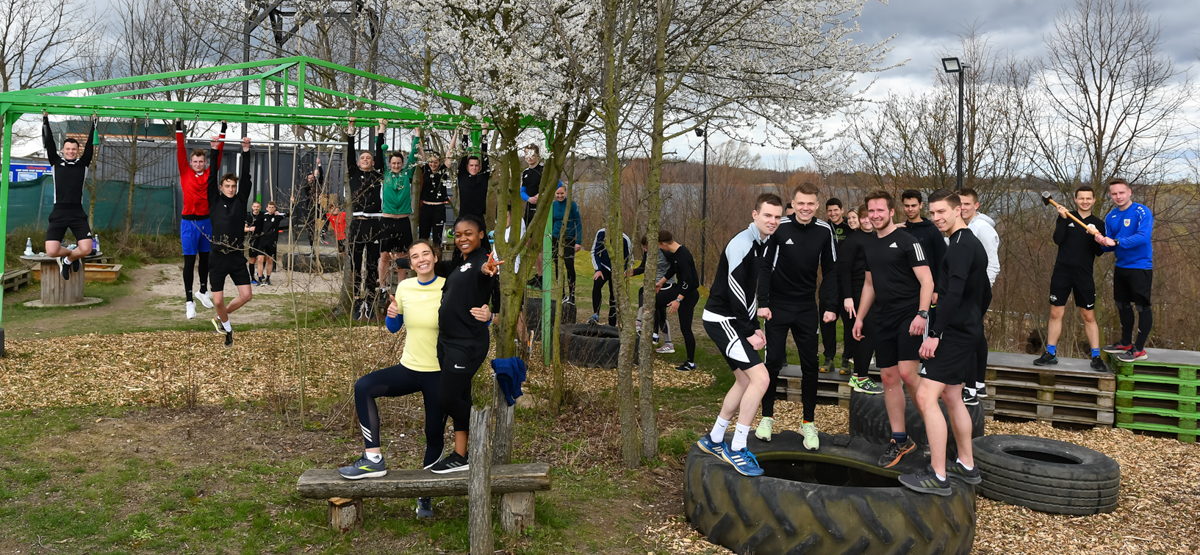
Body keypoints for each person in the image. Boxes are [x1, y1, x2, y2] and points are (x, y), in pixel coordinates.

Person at [338, 239, 492, 518]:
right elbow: (394, 327)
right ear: (409, 263)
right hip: (409, 369)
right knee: (363, 387)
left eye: (426, 254)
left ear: (435, 257)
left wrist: (488, 315)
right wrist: (392, 315)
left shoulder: (450, 283)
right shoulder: (405, 287)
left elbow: (476, 314)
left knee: (433, 435)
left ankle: (425, 497)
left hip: (440, 373)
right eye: (414, 256)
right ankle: (373, 458)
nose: (421, 259)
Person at [898, 189, 985, 495]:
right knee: (951, 397)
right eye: (932, 213)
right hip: (966, 329)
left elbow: (955, 294)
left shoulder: (961, 246)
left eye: (941, 212)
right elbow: (982, 294)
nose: (936, 218)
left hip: (954, 333)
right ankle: (966, 463)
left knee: (924, 396)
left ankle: (938, 475)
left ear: (958, 210)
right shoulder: (965, 242)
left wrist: (935, 334)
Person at [695, 193, 783, 477]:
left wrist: (754, 325)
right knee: (762, 378)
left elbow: (748, 293)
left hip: (734, 319)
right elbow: (734, 289)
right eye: (767, 215)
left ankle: (715, 439)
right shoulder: (743, 243)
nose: (772, 221)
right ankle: (737, 447)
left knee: (745, 380)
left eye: (777, 217)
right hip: (722, 320)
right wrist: (748, 331)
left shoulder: (762, 243)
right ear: (754, 214)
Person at [851, 190, 933, 468]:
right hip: (882, 318)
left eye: (880, 211)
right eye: (871, 211)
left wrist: (922, 314)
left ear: (891, 212)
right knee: (888, 378)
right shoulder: (870, 245)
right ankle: (901, 440)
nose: (875, 216)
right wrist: (860, 317)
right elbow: (870, 285)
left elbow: (928, 281)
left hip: (909, 317)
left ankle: (936, 434)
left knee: (909, 374)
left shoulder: (908, 242)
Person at [754, 183, 837, 448]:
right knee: (773, 361)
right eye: (801, 203)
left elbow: (832, 271)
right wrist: (763, 302)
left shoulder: (824, 231)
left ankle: (808, 424)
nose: (805, 208)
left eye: (810, 203)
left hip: (805, 309)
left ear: (817, 205)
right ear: (793, 203)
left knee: (810, 365)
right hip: (777, 307)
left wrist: (830, 305)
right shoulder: (780, 227)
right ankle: (767, 417)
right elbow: (765, 267)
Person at [428, 214, 502, 474]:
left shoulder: (482, 261)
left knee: (447, 398)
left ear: (481, 234)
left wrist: (489, 270)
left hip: (467, 343)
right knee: (460, 395)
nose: (462, 239)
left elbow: (487, 272)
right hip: (448, 341)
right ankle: (461, 456)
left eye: (468, 233)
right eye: (458, 235)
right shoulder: (462, 261)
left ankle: (482, 432)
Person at [1033, 186, 1108, 371]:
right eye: (1081, 198)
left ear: (1094, 200)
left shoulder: (1098, 223)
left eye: (1088, 198)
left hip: (1084, 275)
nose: (1085, 201)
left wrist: (1096, 236)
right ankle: (1050, 353)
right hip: (1062, 273)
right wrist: (1064, 220)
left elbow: (1099, 252)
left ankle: (1096, 357)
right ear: (1075, 199)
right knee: (1056, 313)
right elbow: (1058, 240)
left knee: (1088, 316)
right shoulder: (1066, 216)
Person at [1096, 178, 1154, 362]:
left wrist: (1118, 242)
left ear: (1129, 192)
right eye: (1114, 194)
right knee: (1122, 305)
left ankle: (1139, 350)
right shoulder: (1111, 217)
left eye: (1121, 192)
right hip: (1121, 267)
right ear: (1110, 195)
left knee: (1142, 307)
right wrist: (1101, 242)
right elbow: (1110, 245)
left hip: (1140, 266)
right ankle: (1126, 343)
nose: (1118, 196)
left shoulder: (1141, 211)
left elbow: (1143, 237)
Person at [205, 135, 254, 348]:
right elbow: (211, 177)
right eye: (227, 186)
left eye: (233, 186)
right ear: (222, 187)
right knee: (217, 301)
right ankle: (227, 327)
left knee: (246, 295)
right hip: (217, 256)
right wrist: (214, 150)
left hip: (235, 255)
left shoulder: (241, 200)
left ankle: (220, 318)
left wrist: (246, 151)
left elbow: (246, 177)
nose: (231, 189)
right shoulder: (214, 200)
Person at [175, 119, 225, 319]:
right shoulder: (185, 171)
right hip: (188, 222)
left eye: (201, 162)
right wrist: (178, 127)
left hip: (206, 222)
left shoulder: (210, 174)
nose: (197, 164)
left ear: (205, 162)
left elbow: (218, 156)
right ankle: (189, 301)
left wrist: (223, 130)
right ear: (191, 162)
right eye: (194, 161)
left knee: (206, 259)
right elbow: (180, 148)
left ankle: (203, 291)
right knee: (189, 261)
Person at [956, 188, 1000, 405]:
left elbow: (993, 263)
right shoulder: (962, 226)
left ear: (976, 206)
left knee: (969, 334)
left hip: (978, 290)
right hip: (965, 288)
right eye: (959, 204)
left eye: (966, 204)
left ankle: (971, 385)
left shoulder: (982, 229)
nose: (963, 208)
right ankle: (979, 382)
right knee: (976, 333)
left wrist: (984, 289)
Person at [41, 111, 96, 281]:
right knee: (51, 251)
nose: (71, 151)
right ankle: (70, 255)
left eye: (74, 149)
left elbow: (90, 146)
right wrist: (45, 119)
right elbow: (49, 143)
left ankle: (68, 259)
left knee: (86, 249)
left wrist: (94, 122)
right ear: (63, 150)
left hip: (77, 213)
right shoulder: (56, 163)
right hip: (59, 212)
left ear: (77, 151)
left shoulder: (83, 164)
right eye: (68, 149)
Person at [838, 205, 883, 394]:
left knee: (870, 333)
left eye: (869, 217)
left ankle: (859, 374)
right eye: (863, 218)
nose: (866, 220)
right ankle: (860, 376)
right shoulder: (852, 240)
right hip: (857, 292)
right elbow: (843, 270)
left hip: (875, 292)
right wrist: (847, 297)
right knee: (863, 333)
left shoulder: (878, 237)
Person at [345, 118, 386, 320]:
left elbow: (380, 156)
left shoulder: (378, 175)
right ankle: (356, 300)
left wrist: (381, 131)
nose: (366, 159)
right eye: (363, 158)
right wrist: (351, 131)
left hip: (374, 223)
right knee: (355, 263)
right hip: (357, 223)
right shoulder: (353, 173)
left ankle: (370, 301)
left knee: (372, 263)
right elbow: (350, 154)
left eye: (368, 158)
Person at [378, 120, 419, 295]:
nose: (396, 165)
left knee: (402, 256)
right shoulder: (385, 174)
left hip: (403, 220)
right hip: (386, 220)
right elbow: (379, 153)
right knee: (384, 256)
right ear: (390, 164)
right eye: (393, 163)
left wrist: (417, 136)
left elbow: (413, 156)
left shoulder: (407, 174)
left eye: (398, 163)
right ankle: (382, 287)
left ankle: (401, 287)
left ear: (402, 164)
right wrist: (381, 131)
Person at [656, 230, 700, 372]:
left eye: (659, 245)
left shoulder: (683, 256)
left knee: (685, 329)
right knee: (655, 301)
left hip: (688, 295)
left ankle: (690, 362)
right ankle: (655, 332)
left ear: (663, 244)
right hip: (680, 289)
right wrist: (661, 283)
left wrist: (677, 300)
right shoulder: (676, 253)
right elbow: (672, 270)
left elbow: (691, 281)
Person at [820, 197, 853, 372]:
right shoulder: (824, 229)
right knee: (826, 322)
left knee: (849, 323)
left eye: (836, 210)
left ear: (842, 210)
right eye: (830, 211)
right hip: (828, 281)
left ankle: (846, 359)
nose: (833, 213)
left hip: (848, 282)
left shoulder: (850, 228)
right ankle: (828, 358)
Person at [589, 227, 632, 325]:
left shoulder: (625, 239)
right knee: (597, 283)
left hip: (618, 270)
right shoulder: (601, 233)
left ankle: (612, 323)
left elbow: (630, 259)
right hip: (604, 267)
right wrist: (598, 269)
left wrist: (624, 272)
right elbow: (594, 252)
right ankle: (595, 315)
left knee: (614, 293)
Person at [416, 128, 452, 246]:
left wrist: (456, 133)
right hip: (426, 208)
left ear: (440, 161)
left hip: (439, 209)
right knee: (423, 237)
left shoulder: (443, 170)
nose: (433, 164)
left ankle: (437, 262)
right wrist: (418, 134)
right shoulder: (425, 169)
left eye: (436, 162)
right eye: (431, 161)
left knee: (437, 239)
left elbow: (450, 153)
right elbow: (420, 151)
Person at [550, 184, 583, 304]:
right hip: (556, 238)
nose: (559, 196)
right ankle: (562, 294)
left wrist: (578, 241)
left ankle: (572, 295)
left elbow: (578, 223)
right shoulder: (553, 206)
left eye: (561, 194)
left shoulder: (572, 205)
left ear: (566, 193)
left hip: (569, 238)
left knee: (569, 266)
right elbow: (550, 223)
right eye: (557, 194)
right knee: (558, 266)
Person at [455, 123, 491, 222]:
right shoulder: (462, 176)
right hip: (464, 217)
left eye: (476, 165)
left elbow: (484, 155)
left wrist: (484, 132)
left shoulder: (483, 176)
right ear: (467, 167)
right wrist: (465, 133)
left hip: (479, 218)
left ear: (479, 167)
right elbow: (463, 154)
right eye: (471, 165)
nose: (474, 168)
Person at [252, 201, 287, 285]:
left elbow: (288, 214)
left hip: (272, 242)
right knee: (260, 259)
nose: (271, 209)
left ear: (274, 208)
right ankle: (260, 278)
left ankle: (268, 278)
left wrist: (292, 203)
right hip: (262, 240)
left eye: (272, 207)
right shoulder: (263, 215)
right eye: (269, 207)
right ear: (266, 208)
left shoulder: (277, 217)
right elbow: (255, 217)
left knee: (270, 260)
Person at [520, 144, 545, 225]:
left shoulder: (544, 169)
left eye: (532, 154)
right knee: (528, 235)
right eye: (527, 154)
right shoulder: (525, 172)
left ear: (537, 155)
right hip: (530, 207)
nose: (529, 157)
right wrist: (529, 198)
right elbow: (522, 191)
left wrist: (540, 195)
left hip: (543, 205)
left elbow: (558, 184)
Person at [244, 201, 261, 282]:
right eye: (254, 206)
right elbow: (243, 228)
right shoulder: (249, 216)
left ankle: (260, 273)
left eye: (257, 206)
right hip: (253, 239)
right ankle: (252, 277)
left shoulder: (263, 215)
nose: (256, 208)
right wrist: (249, 229)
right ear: (252, 207)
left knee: (263, 258)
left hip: (262, 239)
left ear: (260, 207)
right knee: (253, 259)